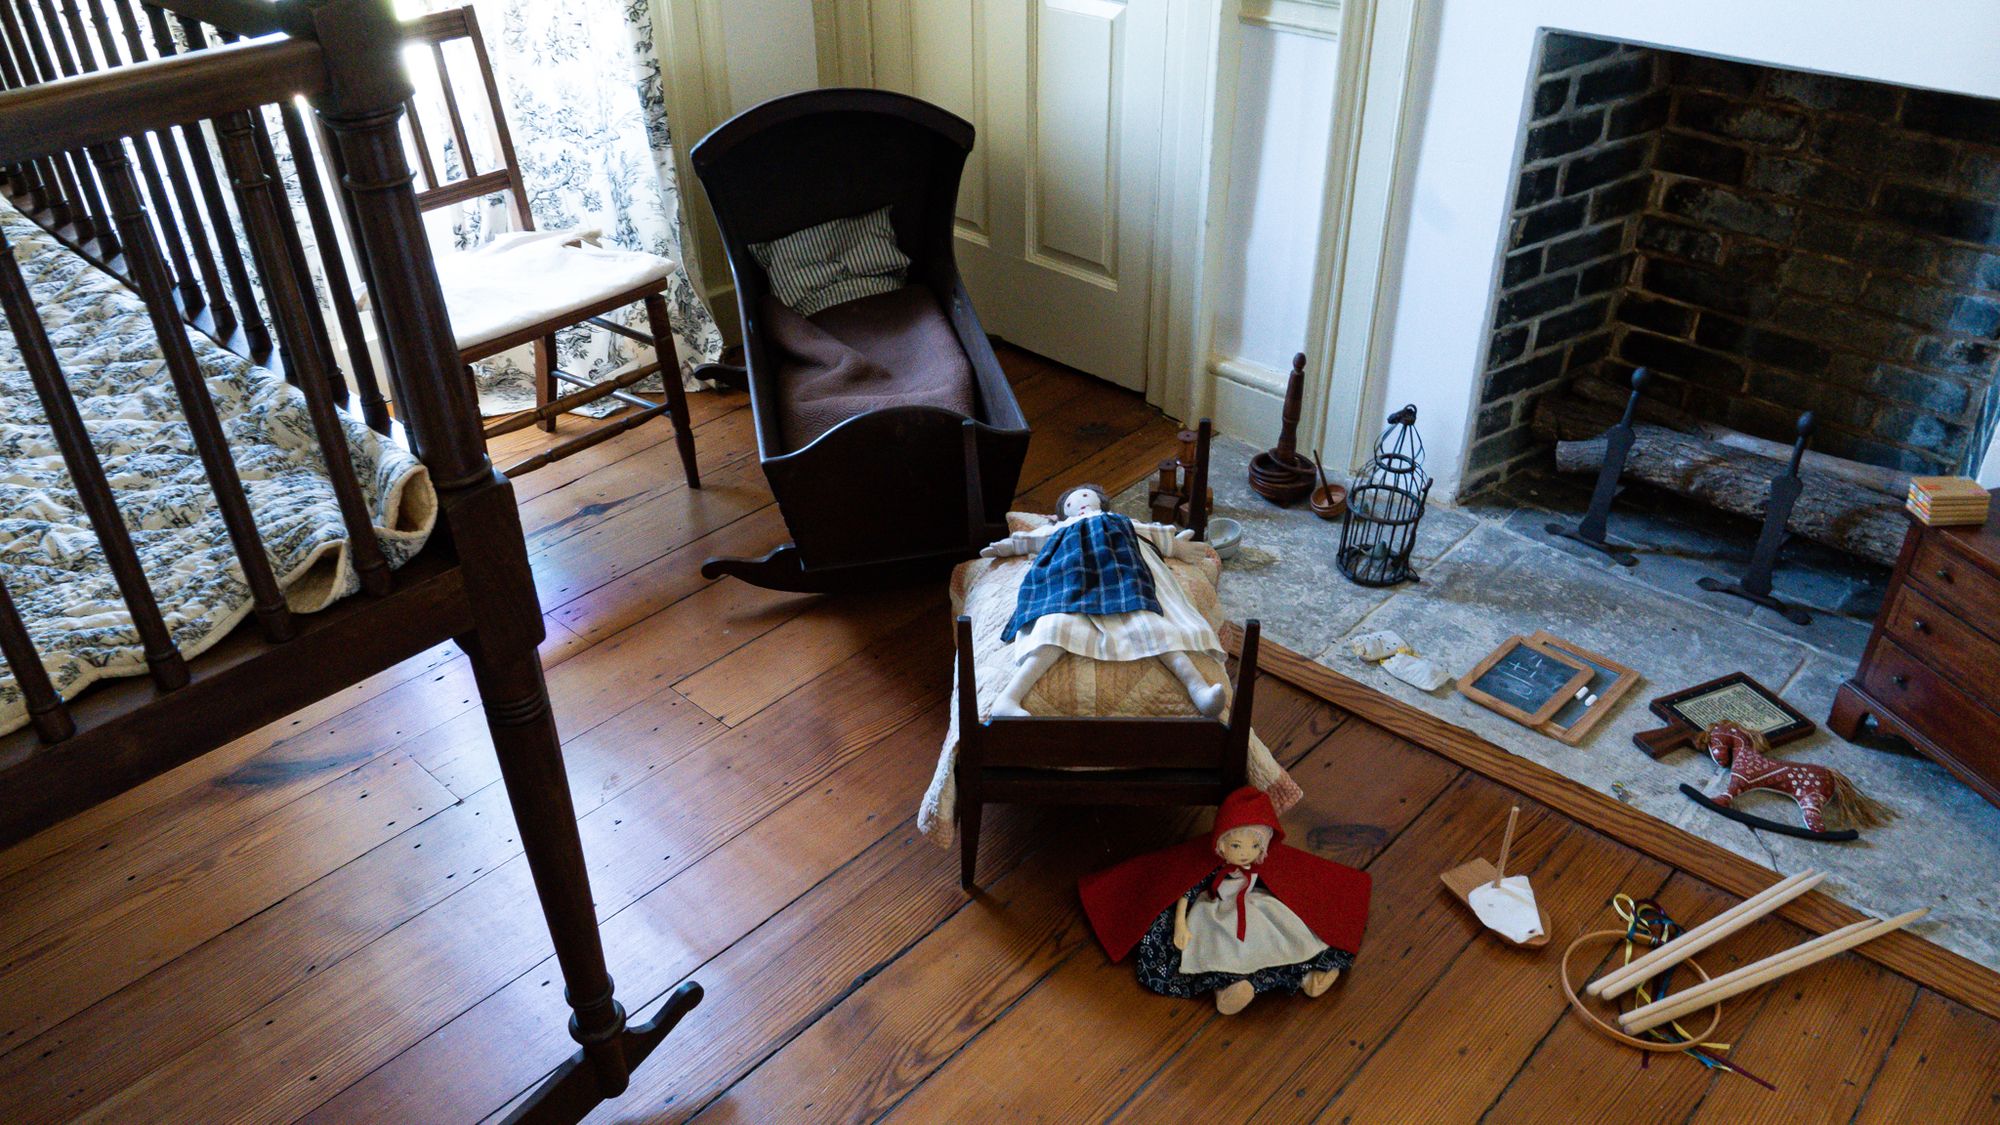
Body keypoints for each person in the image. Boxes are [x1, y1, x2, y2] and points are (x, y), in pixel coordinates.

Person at [980, 483, 1224, 717]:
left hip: (1122, 576)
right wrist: (1005, 546)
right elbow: (1032, 539)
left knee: (1152, 623)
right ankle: (1008, 698)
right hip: (1072, 580)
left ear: (1101, 502)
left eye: (1086, 496)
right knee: (1053, 627)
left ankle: (1198, 690)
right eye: (1070, 504)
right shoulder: (1061, 528)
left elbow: (1149, 533)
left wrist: (1177, 547)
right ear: (1063, 514)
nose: (1080, 503)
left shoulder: (1119, 520)